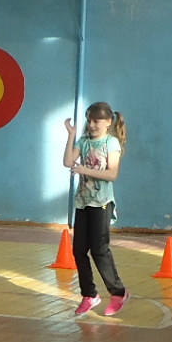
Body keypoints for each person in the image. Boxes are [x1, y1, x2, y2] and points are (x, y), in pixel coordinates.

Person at [62, 102, 129, 317]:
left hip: (101, 203)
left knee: (99, 249)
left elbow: (112, 174)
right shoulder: (83, 141)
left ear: (108, 122)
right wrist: (71, 135)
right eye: (89, 120)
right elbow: (68, 161)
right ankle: (89, 294)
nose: (91, 125)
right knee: (79, 249)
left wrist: (85, 170)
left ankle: (118, 292)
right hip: (83, 202)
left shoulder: (111, 143)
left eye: (96, 121)